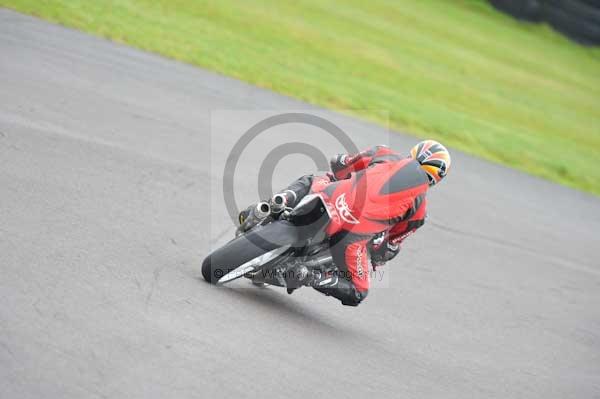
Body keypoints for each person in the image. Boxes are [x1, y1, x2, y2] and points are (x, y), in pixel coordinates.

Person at [239, 140, 451, 306]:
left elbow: (341, 165)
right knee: (358, 292)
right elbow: (388, 246)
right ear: (436, 178)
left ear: (413, 152)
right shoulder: (420, 210)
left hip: (332, 196)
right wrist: (379, 254)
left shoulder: (384, 153)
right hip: (351, 238)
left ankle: (271, 205)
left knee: (314, 180)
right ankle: (309, 274)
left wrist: (344, 165)